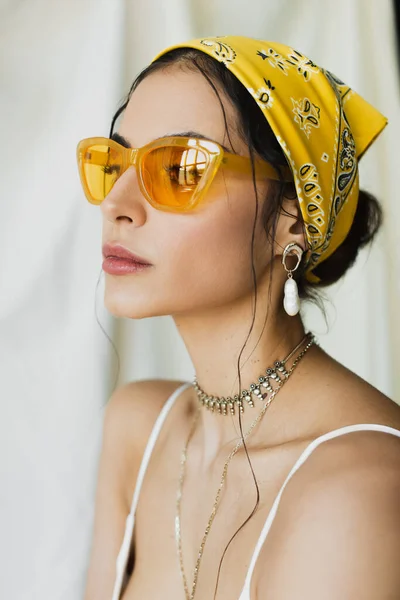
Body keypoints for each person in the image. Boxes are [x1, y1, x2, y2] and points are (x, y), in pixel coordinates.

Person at [77, 36, 400, 600]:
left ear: (292, 221)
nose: (117, 204)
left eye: (179, 168)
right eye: (117, 162)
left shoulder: (360, 486)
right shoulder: (136, 430)